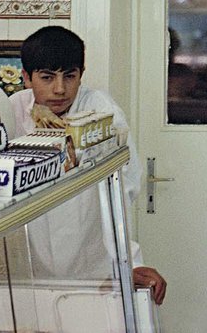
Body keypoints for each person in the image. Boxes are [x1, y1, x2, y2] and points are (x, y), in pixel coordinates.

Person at [10, 26, 167, 304]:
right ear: (26, 77)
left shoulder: (100, 112)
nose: (59, 89)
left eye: (69, 76)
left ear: (81, 75)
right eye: (47, 77)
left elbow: (123, 188)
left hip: (95, 262)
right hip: (30, 263)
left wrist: (126, 262)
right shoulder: (10, 111)